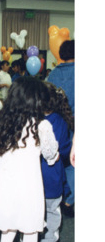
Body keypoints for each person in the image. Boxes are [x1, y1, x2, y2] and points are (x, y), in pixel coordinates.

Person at [0, 77, 59, 242]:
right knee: (30, 228)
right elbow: (51, 155)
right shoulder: (42, 125)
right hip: (28, 182)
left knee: (9, 221)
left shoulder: (5, 120)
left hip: (6, 179)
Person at [40, 82, 74, 242]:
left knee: (35, 211)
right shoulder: (60, 121)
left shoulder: (33, 119)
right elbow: (66, 148)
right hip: (53, 176)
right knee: (53, 211)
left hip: (34, 176)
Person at [47, 39, 75, 216]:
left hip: (56, 122)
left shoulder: (53, 74)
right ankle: (71, 199)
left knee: (62, 159)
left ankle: (65, 195)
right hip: (75, 122)